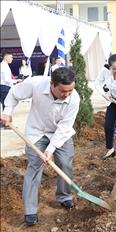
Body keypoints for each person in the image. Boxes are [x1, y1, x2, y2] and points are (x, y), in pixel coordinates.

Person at [1, 67, 80, 226]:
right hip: (36, 132)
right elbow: (14, 93)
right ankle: (30, 210)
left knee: (65, 164)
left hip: (59, 134)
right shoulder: (35, 84)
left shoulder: (74, 99)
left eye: (70, 90)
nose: (67, 94)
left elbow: (64, 128)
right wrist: (7, 111)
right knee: (34, 167)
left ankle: (64, 196)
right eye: (63, 91)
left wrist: (50, 150)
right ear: (52, 84)